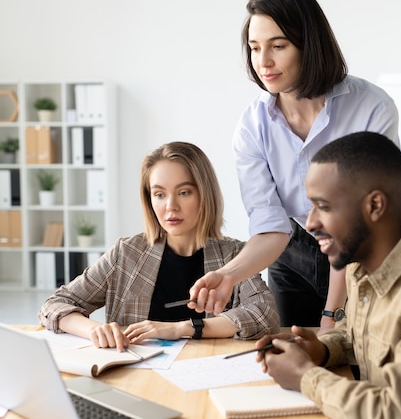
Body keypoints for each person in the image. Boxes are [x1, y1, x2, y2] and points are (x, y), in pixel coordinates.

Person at [189, 0, 399, 331]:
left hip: (363, 250)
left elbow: (359, 222)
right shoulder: (252, 125)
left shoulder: (371, 108)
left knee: (356, 360)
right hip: (293, 249)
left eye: (278, 46)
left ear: (309, 45)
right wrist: (228, 276)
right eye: (255, 48)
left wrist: (334, 312)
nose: (263, 62)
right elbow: (271, 226)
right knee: (294, 359)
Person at [255, 132, 401, 419]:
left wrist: (306, 378)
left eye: (323, 207)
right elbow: (358, 336)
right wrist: (322, 350)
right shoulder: (367, 259)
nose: (310, 224)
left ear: (375, 205)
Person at [38, 141, 280, 351]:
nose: (170, 206)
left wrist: (181, 329)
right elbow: (54, 306)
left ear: (205, 195)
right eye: (159, 194)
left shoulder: (234, 255)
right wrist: (95, 330)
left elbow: (264, 314)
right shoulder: (127, 253)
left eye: (184, 192)